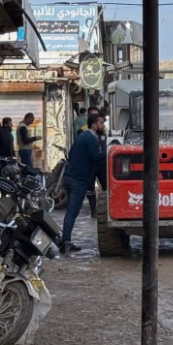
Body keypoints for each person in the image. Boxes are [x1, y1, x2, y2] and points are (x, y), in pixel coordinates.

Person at [62, 114, 107, 253]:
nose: (103, 125)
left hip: (70, 177)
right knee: (73, 211)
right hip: (78, 180)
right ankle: (65, 242)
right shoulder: (91, 139)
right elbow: (97, 158)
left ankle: (65, 240)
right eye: (101, 123)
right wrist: (111, 151)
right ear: (94, 124)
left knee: (70, 211)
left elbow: (70, 153)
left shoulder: (82, 136)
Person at [84, 106, 106, 217]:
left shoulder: (102, 132)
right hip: (90, 164)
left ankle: (107, 208)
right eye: (93, 115)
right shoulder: (84, 131)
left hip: (102, 164)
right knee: (90, 188)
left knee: (106, 186)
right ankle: (93, 211)